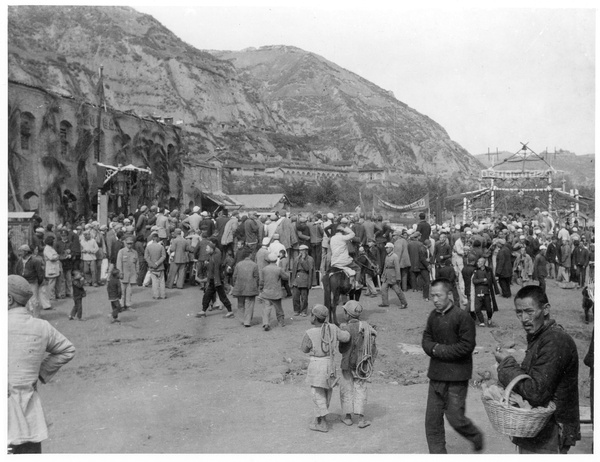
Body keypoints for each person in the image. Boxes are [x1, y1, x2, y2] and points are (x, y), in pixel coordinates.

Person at [495, 285, 580, 454]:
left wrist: (507, 364)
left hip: (550, 432)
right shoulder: (541, 337)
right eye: (519, 313)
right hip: (541, 430)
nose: (524, 318)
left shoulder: (554, 341)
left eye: (529, 311)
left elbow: (535, 392)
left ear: (546, 309)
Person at [8, 275, 76, 454]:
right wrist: (39, 372)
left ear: (8, 299)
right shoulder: (41, 326)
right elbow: (67, 349)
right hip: (30, 413)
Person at [422, 278, 483, 454]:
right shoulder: (433, 316)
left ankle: (475, 436)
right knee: (432, 422)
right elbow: (426, 340)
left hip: (457, 377)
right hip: (436, 377)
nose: (434, 300)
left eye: (438, 295)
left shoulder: (462, 317)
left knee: (455, 418)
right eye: (432, 295)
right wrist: (434, 348)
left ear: (449, 295)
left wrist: (437, 350)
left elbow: (466, 347)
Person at [300, 304, 351, 432]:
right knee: (327, 391)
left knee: (317, 393)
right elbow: (346, 337)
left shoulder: (309, 333)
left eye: (311, 315)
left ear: (314, 317)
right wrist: (346, 329)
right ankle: (321, 417)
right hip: (330, 364)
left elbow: (304, 349)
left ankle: (322, 422)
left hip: (317, 365)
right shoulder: (333, 328)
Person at [338, 301, 377, 428]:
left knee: (346, 389)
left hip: (347, 364)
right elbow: (373, 347)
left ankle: (348, 417)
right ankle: (361, 419)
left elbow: (341, 349)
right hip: (362, 365)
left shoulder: (345, 328)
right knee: (360, 389)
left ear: (348, 315)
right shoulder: (366, 327)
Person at [196, 241, 234, 318]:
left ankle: (230, 311)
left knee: (222, 296)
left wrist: (216, 281)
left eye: (207, 248)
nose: (206, 250)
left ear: (211, 249)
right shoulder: (213, 254)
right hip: (214, 280)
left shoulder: (215, 257)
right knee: (207, 295)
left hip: (216, 281)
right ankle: (203, 310)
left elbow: (216, 270)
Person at [14, 244, 46, 318]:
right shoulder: (19, 261)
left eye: (21, 251)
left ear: (26, 252)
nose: (19, 253)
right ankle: (29, 316)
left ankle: (36, 316)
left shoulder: (35, 261)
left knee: (34, 300)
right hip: (24, 283)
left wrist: (38, 282)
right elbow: (17, 271)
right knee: (26, 301)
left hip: (32, 282)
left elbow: (40, 273)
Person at [258, 252, 289, 330]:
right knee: (278, 309)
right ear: (276, 260)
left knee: (266, 309)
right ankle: (281, 322)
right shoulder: (278, 269)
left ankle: (266, 323)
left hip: (266, 292)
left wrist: (261, 288)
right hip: (276, 292)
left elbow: (261, 281)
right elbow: (286, 277)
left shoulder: (264, 269)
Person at [231, 247, 259, 327]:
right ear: (250, 255)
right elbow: (256, 277)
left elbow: (234, 276)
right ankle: (247, 321)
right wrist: (256, 285)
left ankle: (242, 319)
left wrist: (235, 285)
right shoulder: (254, 265)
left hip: (240, 288)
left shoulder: (238, 264)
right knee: (249, 304)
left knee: (240, 304)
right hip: (250, 288)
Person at [379, 242, 408, 309]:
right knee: (383, 289)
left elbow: (397, 268)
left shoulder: (395, 256)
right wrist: (383, 275)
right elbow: (385, 267)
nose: (386, 249)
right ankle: (385, 303)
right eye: (386, 248)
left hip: (393, 277)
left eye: (387, 248)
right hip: (386, 276)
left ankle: (404, 303)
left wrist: (398, 278)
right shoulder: (387, 256)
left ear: (391, 248)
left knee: (398, 290)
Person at [116, 236, 139, 310]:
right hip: (123, 274)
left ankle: (128, 304)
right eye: (128, 243)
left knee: (129, 291)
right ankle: (122, 305)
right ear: (125, 243)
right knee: (122, 291)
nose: (130, 245)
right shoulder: (121, 251)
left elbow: (137, 263)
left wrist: (137, 272)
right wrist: (120, 273)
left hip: (132, 274)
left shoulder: (135, 252)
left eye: (131, 244)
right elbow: (119, 263)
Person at [291, 244, 314, 316]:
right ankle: (296, 310)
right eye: (300, 250)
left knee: (304, 297)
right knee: (295, 296)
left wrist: (303, 260)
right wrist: (292, 281)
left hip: (305, 278)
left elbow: (308, 269)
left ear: (306, 251)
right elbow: (293, 270)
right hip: (296, 279)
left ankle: (303, 311)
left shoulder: (310, 259)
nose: (300, 252)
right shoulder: (296, 258)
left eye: (302, 250)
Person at [472, 257, 494, 327]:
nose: (477, 263)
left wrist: (482, 281)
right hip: (478, 292)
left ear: (482, 263)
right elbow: (474, 281)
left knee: (489, 308)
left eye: (479, 262)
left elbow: (489, 281)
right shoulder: (476, 271)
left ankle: (489, 318)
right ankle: (482, 321)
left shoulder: (488, 271)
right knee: (477, 308)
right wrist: (482, 280)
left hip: (486, 292)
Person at [145, 231, 167, 299]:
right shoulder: (161, 247)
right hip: (160, 266)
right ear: (157, 238)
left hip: (152, 267)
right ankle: (163, 295)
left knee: (154, 282)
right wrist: (157, 263)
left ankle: (156, 295)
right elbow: (163, 256)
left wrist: (152, 264)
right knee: (162, 282)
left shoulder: (148, 247)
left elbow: (146, 257)